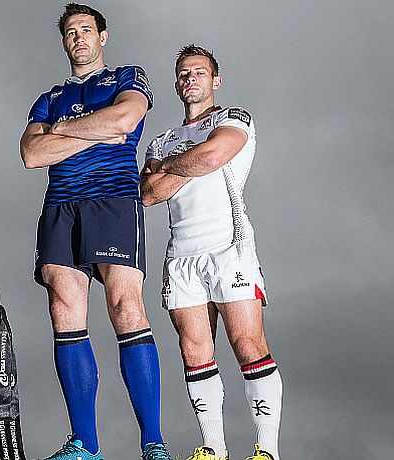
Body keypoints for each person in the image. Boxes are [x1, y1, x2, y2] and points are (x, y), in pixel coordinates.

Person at [20, 4, 172, 460]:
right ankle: (84, 444)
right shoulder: (48, 98)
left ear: (102, 36)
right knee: (64, 308)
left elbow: (125, 122)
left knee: (126, 306)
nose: (79, 38)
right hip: (61, 204)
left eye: (86, 29)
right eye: (70, 32)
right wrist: (91, 131)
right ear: (64, 41)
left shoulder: (128, 76)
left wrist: (62, 133)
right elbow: (31, 154)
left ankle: (153, 444)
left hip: (112, 200)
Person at [140, 44, 283, 460]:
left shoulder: (233, 118)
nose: (190, 79)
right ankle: (214, 448)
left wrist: (174, 167)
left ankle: (266, 450)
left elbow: (215, 155)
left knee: (247, 342)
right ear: (175, 83)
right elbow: (149, 194)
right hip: (181, 255)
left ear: (215, 81)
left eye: (199, 72)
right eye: (184, 73)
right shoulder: (161, 140)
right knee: (194, 350)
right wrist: (190, 162)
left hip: (229, 247)